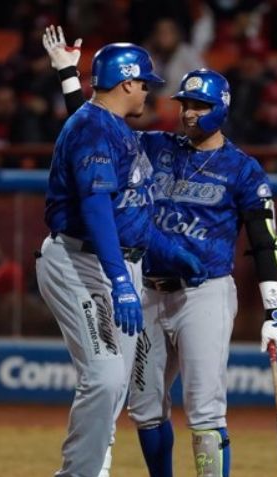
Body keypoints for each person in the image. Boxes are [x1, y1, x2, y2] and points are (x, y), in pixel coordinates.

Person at [43, 27, 277, 477]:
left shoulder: (243, 169)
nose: (189, 113)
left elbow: (263, 235)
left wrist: (273, 308)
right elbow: (93, 130)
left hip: (203, 292)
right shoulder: (154, 145)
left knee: (205, 407)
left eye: (200, 106)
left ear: (222, 110)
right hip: (147, 289)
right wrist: (68, 79)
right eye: (185, 104)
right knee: (145, 406)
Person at [36, 32, 207, 477]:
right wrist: (118, 283)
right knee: (106, 375)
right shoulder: (95, 128)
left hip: (117, 261)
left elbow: (131, 213)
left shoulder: (108, 127)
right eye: (144, 82)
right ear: (127, 83)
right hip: (83, 261)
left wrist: (169, 251)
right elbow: (96, 210)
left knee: (113, 385)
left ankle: (92, 468)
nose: (148, 90)